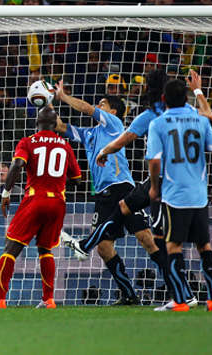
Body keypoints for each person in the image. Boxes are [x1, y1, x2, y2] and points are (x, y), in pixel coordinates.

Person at [63, 69, 212, 310]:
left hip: (159, 180)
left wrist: (104, 152)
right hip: (188, 180)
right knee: (147, 231)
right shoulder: (187, 112)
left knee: (154, 238)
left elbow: (124, 140)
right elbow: (209, 115)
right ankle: (178, 294)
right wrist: (197, 89)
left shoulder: (147, 115)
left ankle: (183, 294)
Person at [53, 80, 151, 306]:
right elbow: (60, 126)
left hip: (122, 187)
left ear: (113, 111)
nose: (99, 105)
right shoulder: (89, 134)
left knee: (145, 237)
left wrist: (64, 96)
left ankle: (178, 289)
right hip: (102, 194)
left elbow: (87, 109)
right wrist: (46, 101)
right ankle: (129, 295)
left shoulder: (114, 124)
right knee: (105, 248)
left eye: (103, 104)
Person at [0, 106, 81, 309]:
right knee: (46, 249)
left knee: (11, 248)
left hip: (34, 199)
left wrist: (6, 192)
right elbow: (77, 178)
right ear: (56, 126)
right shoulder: (65, 145)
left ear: (36, 124)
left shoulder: (28, 142)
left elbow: (17, 165)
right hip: (57, 202)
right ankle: (48, 300)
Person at [146, 78, 212, 312]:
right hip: (199, 195)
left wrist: (154, 187)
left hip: (174, 195)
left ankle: (180, 301)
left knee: (173, 247)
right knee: (204, 246)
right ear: (187, 98)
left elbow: (155, 160)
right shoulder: (200, 120)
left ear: (163, 99)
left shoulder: (158, 124)